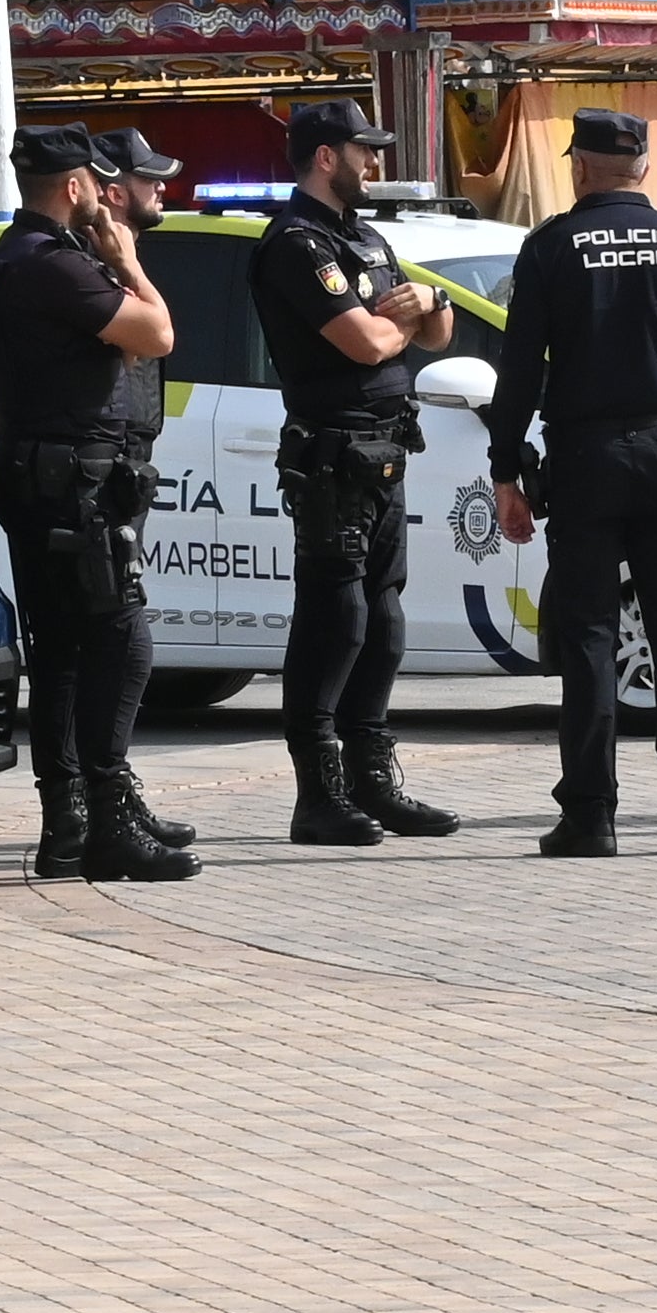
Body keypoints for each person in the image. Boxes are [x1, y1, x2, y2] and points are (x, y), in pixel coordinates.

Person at [480, 108, 657, 856]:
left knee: (589, 639)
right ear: (644, 169)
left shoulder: (552, 246)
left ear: (580, 166)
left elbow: (520, 370)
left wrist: (504, 471)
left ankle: (590, 817)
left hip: (587, 461)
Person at [0, 123, 196, 882]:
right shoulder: (58, 267)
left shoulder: (16, 258)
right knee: (121, 640)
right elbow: (158, 332)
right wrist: (128, 261)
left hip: (48, 475)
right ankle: (106, 816)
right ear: (76, 187)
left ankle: (70, 822)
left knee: (65, 654)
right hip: (73, 484)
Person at [250, 96, 467, 845]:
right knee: (332, 622)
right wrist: (406, 319)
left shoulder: (366, 238)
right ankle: (320, 793)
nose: (374, 163)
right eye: (362, 151)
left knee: (384, 622)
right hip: (333, 453)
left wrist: (429, 302)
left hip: (385, 450)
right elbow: (367, 345)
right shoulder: (296, 244)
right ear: (324, 157)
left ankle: (375, 781)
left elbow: (433, 332)